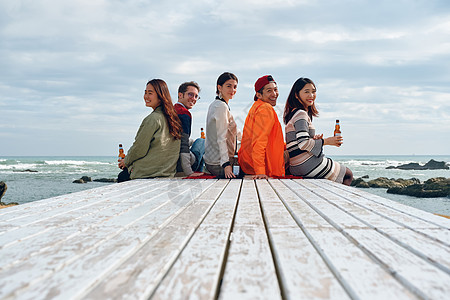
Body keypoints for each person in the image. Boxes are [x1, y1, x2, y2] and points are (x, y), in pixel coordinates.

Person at [283, 77, 353, 185]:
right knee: (348, 174)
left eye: (313, 92)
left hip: (295, 165)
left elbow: (298, 142)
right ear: (296, 95)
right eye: (307, 92)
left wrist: (314, 140)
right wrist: (326, 141)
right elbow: (303, 143)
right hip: (305, 165)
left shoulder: (293, 114)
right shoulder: (301, 114)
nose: (311, 95)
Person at [117, 79, 182, 181]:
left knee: (122, 177)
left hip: (149, 173)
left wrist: (126, 161)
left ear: (160, 96)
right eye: (145, 92)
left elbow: (139, 149)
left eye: (150, 93)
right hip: (167, 172)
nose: (146, 96)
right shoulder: (173, 119)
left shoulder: (153, 119)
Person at [238, 75, 286, 179]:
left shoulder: (256, 107)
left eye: (275, 89)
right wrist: (260, 171)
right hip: (262, 169)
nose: (274, 94)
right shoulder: (265, 109)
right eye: (269, 91)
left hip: (248, 165)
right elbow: (259, 142)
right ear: (259, 95)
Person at [204, 72, 240, 178]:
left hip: (212, 161)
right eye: (228, 86)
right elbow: (221, 137)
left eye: (235, 87)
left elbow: (236, 133)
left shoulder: (215, 104)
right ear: (219, 87)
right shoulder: (221, 107)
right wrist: (226, 164)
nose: (232, 90)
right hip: (218, 164)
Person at [174, 81, 205, 177]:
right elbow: (183, 145)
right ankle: (198, 172)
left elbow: (179, 138)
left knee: (196, 141)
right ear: (180, 95)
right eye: (190, 94)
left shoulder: (172, 110)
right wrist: (189, 172)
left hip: (171, 158)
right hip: (180, 164)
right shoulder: (184, 113)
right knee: (202, 141)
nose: (194, 99)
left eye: (196, 96)